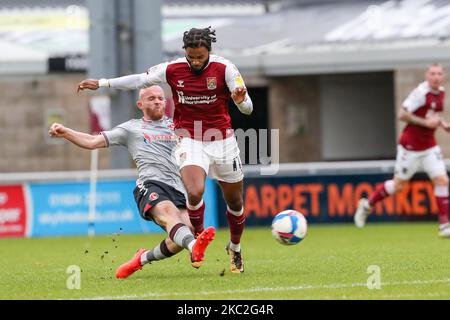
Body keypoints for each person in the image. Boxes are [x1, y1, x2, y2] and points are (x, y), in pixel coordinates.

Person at [77, 27, 253, 273]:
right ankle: (198, 239)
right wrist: (102, 83)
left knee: (234, 202)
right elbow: (139, 79)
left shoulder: (226, 69)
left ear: (209, 52)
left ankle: (234, 248)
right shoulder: (173, 69)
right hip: (190, 138)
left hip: (222, 140)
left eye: (200, 57)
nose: (195, 62)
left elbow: (247, 109)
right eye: (191, 56)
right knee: (195, 190)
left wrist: (240, 100)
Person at [48, 85, 215, 279]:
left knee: (185, 232)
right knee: (171, 216)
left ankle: (142, 259)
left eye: (161, 98)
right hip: (151, 185)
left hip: (177, 189)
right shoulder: (131, 128)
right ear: (140, 104)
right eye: (151, 98)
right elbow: (93, 142)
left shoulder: (177, 126)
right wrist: (66, 132)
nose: (158, 101)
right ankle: (195, 247)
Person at [354, 63, 450, 238]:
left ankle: (444, 225)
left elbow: (432, 114)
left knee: (442, 180)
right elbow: (401, 114)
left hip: (429, 146)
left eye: (439, 74)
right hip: (410, 147)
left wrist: (442, 124)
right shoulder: (420, 93)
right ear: (427, 76)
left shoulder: (441, 92)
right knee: (398, 186)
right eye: (433, 74)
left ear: (442, 76)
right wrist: (425, 123)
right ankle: (366, 206)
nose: (436, 77)